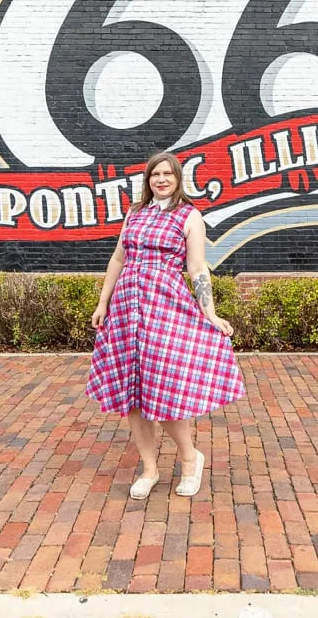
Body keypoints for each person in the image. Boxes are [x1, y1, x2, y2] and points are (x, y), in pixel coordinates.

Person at [85, 151, 245, 499]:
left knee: (163, 389)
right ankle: (150, 469)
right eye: (155, 174)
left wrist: (211, 314)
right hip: (126, 310)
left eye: (167, 174)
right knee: (133, 394)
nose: (160, 179)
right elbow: (118, 258)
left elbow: (198, 269)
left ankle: (190, 459)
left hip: (166, 309)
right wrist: (103, 303)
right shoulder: (135, 213)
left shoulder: (189, 216)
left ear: (177, 179)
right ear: (148, 180)